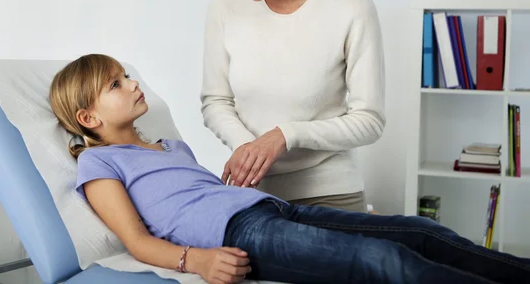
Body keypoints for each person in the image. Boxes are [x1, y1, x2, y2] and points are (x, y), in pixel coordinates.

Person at [49, 53, 529, 284]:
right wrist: (195, 261)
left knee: (416, 231)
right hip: (241, 234)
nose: (133, 83)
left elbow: (196, 197)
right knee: (385, 263)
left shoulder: (169, 146)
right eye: (116, 83)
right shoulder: (98, 161)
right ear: (89, 118)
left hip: (272, 209)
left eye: (126, 74)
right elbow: (136, 240)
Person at [200, 0, 385, 213]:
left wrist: (284, 135)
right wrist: (250, 148)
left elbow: (369, 120)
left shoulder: (351, 9)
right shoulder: (224, 5)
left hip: (331, 193)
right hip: (253, 194)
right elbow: (215, 101)